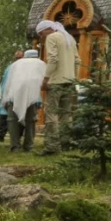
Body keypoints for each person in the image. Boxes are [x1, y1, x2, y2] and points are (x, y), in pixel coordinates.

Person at [37, 20, 79, 155]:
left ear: (47, 30)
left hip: (56, 81)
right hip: (70, 81)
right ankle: (66, 143)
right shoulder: (69, 38)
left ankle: (52, 146)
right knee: (67, 114)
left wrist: (45, 79)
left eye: (41, 34)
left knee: (51, 114)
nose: (41, 37)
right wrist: (74, 78)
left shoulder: (52, 37)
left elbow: (53, 59)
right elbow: (77, 60)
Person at [2, 49, 47, 152]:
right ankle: (28, 146)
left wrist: (5, 99)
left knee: (13, 121)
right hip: (31, 97)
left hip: (14, 95)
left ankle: (15, 146)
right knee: (30, 121)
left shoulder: (15, 65)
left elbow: (7, 83)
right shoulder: (40, 64)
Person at [0, 51, 25, 142]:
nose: (18, 59)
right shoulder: (10, 67)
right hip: (8, 94)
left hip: (20, 96)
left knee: (19, 116)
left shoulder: (25, 68)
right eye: (17, 58)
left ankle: (18, 137)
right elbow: (5, 81)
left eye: (20, 57)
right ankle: (1, 135)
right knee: (3, 115)